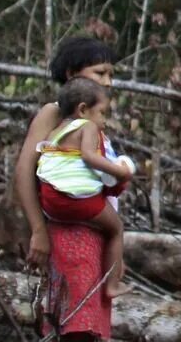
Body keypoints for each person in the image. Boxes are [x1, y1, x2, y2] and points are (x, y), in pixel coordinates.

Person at [12, 35, 123, 342]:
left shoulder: (87, 119)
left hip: (87, 230)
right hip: (66, 233)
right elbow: (25, 171)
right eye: (100, 73)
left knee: (80, 324)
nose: (109, 81)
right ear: (74, 75)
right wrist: (38, 230)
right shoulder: (54, 115)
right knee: (67, 324)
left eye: (111, 73)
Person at [34, 76, 135, 300]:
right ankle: (112, 284)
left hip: (51, 200)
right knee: (116, 228)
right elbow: (90, 157)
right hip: (76, 200)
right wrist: (119, 172)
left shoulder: (56, 132)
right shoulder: (86, 127)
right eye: (102, 113)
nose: (104, 121)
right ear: (82, 109)